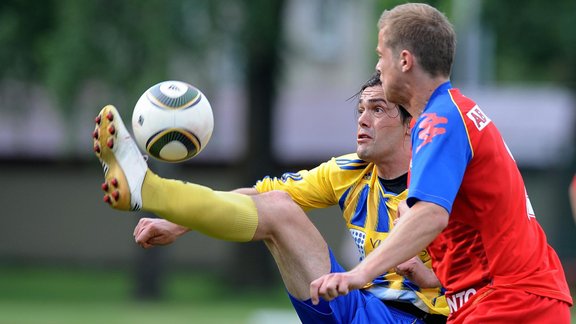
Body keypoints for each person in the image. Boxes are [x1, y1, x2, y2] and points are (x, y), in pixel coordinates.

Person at [93, 73, 448, 323]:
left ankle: (150, 188)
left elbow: (492, 270)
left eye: (378, 110)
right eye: (360, 110)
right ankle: (150, 190)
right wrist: (177, 224)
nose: (363, 121)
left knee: (279, 210)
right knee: (277, 205)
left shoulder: (439, 184)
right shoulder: (348, 171)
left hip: (413, 319)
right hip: (354, 307)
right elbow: (258, 195)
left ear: (410, 124)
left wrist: (431, 278)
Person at [308, 3, 573, 323]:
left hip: (509, 302)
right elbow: (473, 226)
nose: (378, 68)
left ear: (404, 61)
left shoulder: (440, 120)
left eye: (381, 55)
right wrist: (431, 277)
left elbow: (430, 215)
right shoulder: (448, 115)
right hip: (502, 298)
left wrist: (358, 274)